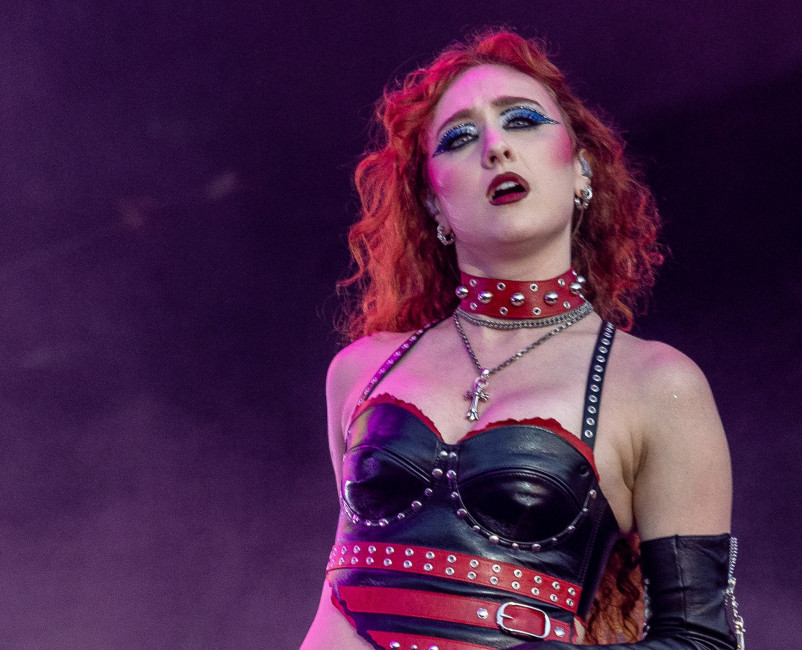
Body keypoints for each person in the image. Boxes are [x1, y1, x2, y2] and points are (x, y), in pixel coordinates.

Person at [302, 30, 744, 650]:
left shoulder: (655, 386)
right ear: (433, 201)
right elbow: (343, 590)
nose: (496, 146)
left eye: (523, 121)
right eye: (459, 137)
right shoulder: (361, 370)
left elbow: (702, 641)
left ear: (581, 167)